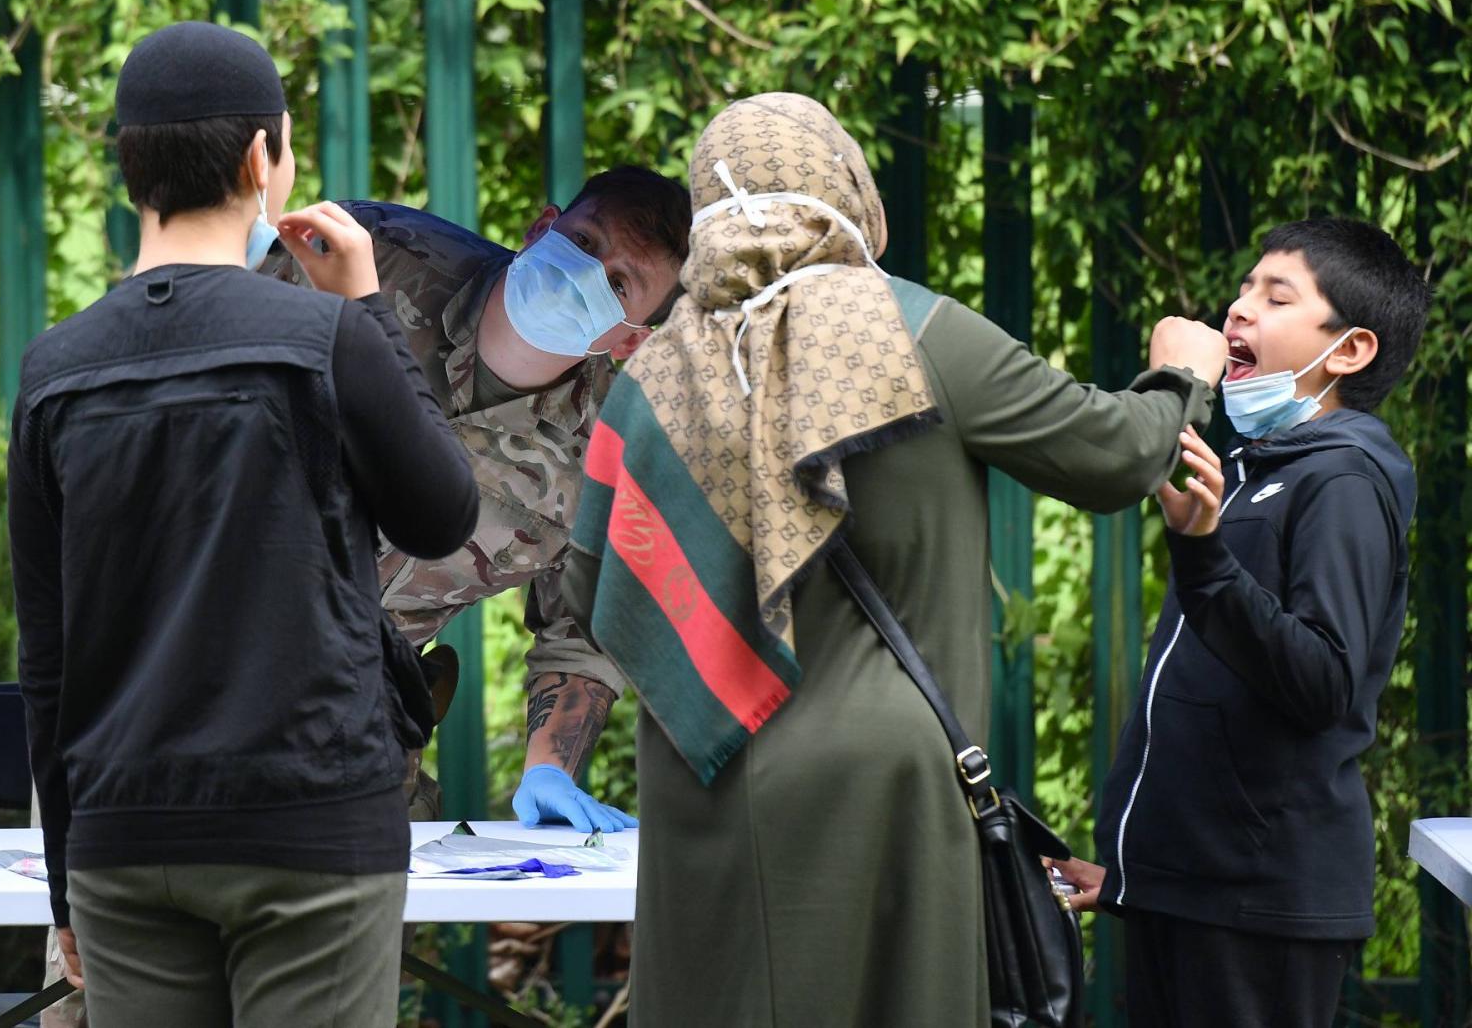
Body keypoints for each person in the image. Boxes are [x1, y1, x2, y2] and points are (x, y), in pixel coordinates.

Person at [559, 92, 1229, 1026]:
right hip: (890, 787)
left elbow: (595, 586)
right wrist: (1181, 377)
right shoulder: (918, 333)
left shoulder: (652, 378)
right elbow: (1112, 454)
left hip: (703, 778)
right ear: (845, 183)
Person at [9, 21, 478, 1028]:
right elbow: (444, 516)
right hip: (308, 822)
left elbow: (47, 656)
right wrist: (366, 305)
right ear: (260, 158)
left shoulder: (55, 371)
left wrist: (65, 890)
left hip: (125, 836)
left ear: (131, 165)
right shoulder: (323, 338)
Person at [1052, 219, 1430, 1028]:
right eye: (1244, 288)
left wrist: (1205, 556)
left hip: (1259, 909)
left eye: (1276, 294)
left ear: (1351, 350)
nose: (1238, 310)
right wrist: (1130, 873)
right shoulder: (1260, 472)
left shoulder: (1346, 480)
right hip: (1188, 897)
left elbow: (1323, 677)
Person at [260, 165, 690, 832]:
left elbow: (579, 628)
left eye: (617, 284)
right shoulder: (370, 255)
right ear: (542, 227)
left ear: (631, 340)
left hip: (357, 751)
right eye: (583, 239)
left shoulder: (610, 456)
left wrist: (550, 765)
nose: (584, 272)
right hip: (196, 688)